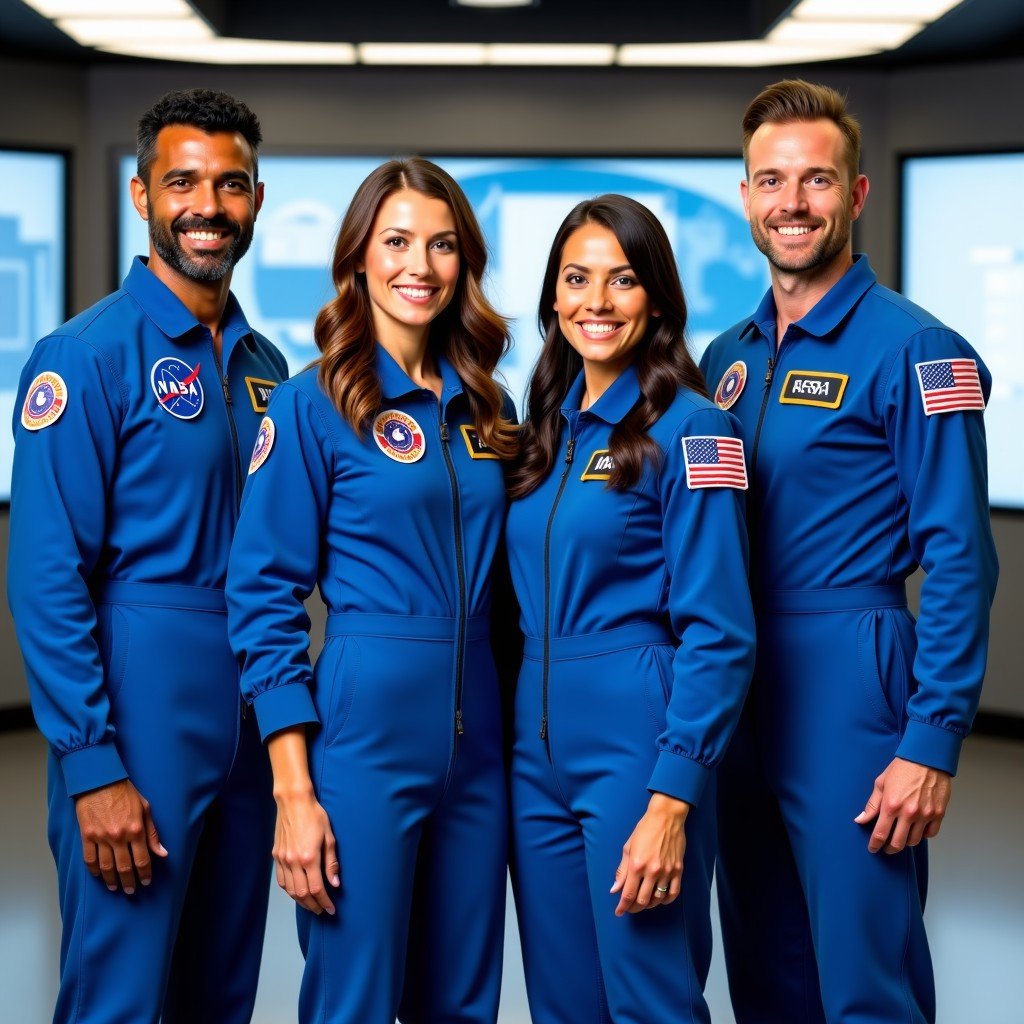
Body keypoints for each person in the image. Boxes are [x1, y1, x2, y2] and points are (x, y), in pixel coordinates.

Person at [701, 79, 999, 1024]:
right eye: (772, 181)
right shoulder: (723, 359)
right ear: (746, 195)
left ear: (856, 195)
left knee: (865, 980)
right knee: (764, 972)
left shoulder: (919, 352)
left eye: (817, 180)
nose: (793, 202)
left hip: (852, 683)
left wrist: (932, 739)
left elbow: (961, 557)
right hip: (739, 691)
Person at [7, 89, 287, 1023]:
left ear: (255, 197)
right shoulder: (81, 358)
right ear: (141, 196)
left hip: (249, 713)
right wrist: (92, 765)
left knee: (222, 990)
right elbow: (48, 578)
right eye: (183, 182)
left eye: (230, 184)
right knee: (120, 995)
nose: (208, 205)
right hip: (140, 702)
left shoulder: (266, 367)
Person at [226, 157, 518, 1024]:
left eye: (440, 245)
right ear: (358, 257)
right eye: (395, 242)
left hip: (482, 751)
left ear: (464, 262)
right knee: (352, 1001)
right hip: (363, 746)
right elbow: (264, 596)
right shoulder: (310, 404)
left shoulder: (489, 413)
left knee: (463, 1002)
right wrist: (294, 792)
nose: (417, 266)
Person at [504, 194, 755, 1024]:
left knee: (651, 1001)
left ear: (657, 298)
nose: (597, 303)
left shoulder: (696, 430)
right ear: (552, 298)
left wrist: (672, 798)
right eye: (577, 279)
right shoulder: (545, 430)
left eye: (622, 280)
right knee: (563, 1004)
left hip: (638, 748)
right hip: (533, 756)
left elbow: (720, 633)